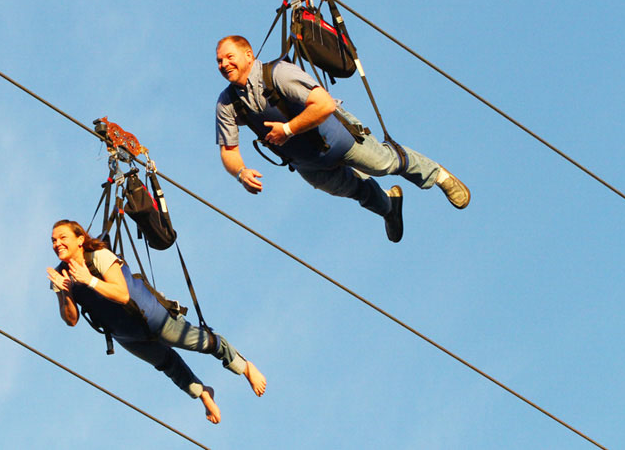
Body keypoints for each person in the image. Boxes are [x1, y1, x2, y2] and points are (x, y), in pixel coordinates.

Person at [215, 35, 470, 243]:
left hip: (338, 138)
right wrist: (241, 173)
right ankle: (390, 207)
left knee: (384, 164)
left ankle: (438, 175)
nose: (224, 64)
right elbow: (229, 150)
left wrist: (288, 130)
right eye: (219, 61)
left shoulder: (278, 74)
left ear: (249, 54)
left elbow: (323, 104)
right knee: (356, 190)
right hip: (309, 164)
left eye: (229, 57)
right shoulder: (228, 103)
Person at [46, 219, 266, 424]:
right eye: (54, 240)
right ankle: (203, 393)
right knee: (166, 364)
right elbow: (71, 320)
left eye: (62, 237)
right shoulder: (61, 275)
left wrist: (89, 280)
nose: (57, 243)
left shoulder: (99, 256)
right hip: (126, 334)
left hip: (150, 317)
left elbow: (122, 294)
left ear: (80, 239)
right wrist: (66, 292)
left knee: (202, 343)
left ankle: (244, 367)